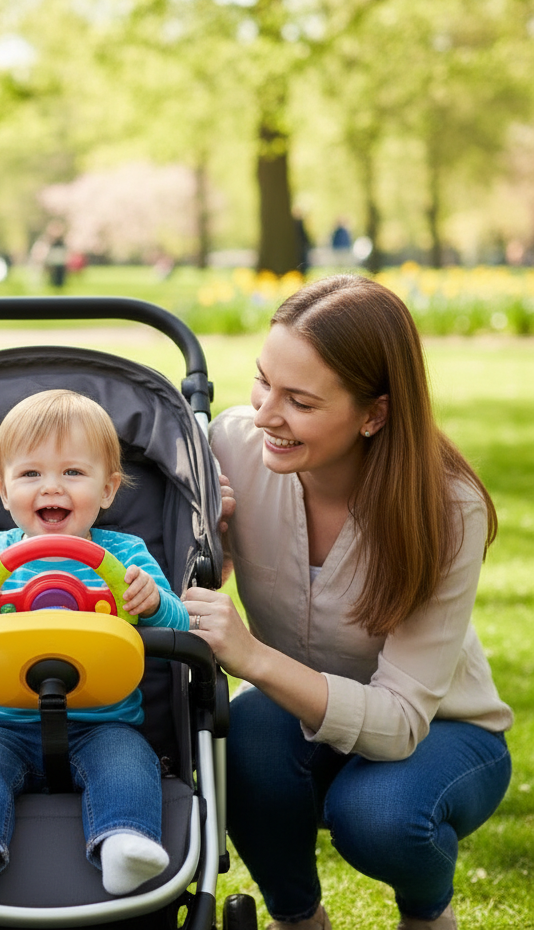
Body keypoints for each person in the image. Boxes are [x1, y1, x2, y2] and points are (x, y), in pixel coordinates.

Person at [183, 275, 512, 930]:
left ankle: (428, 913)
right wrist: (208, 540)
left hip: (441, 730)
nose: (266, 414)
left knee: (378, 816)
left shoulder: (447, 509)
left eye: (300, 401)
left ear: (374, 414)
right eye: (263, 381)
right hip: (291, 713)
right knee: (236, 741)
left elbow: (400, 721)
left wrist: (251, 657)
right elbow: (193, 580)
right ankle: (298, 918)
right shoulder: (233, 446)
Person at [0, 389, 190, 900]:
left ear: (108, 489)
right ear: (3, 491)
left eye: (72, 472)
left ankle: (125, 842)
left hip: (104, 722)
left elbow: (180, 632)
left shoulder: (126, 555)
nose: (52, 487)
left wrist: (154, 603)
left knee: (129, 761)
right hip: (0, 722)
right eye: (31, 474)